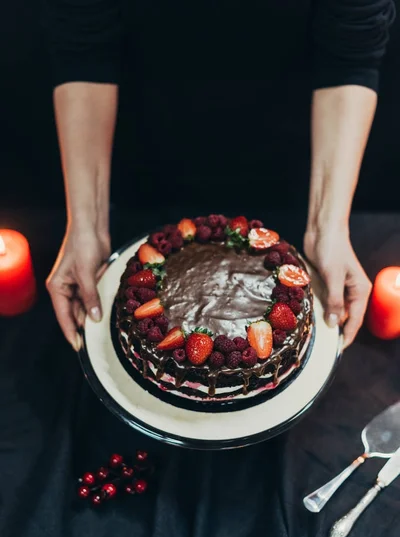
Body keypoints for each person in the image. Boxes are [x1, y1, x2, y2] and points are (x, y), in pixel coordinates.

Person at [43, 0, 395, 352]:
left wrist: (327, 227)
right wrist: (86, 225)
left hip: (292, 166)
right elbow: (84, 42)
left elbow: (351, 49)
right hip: (142, 155)